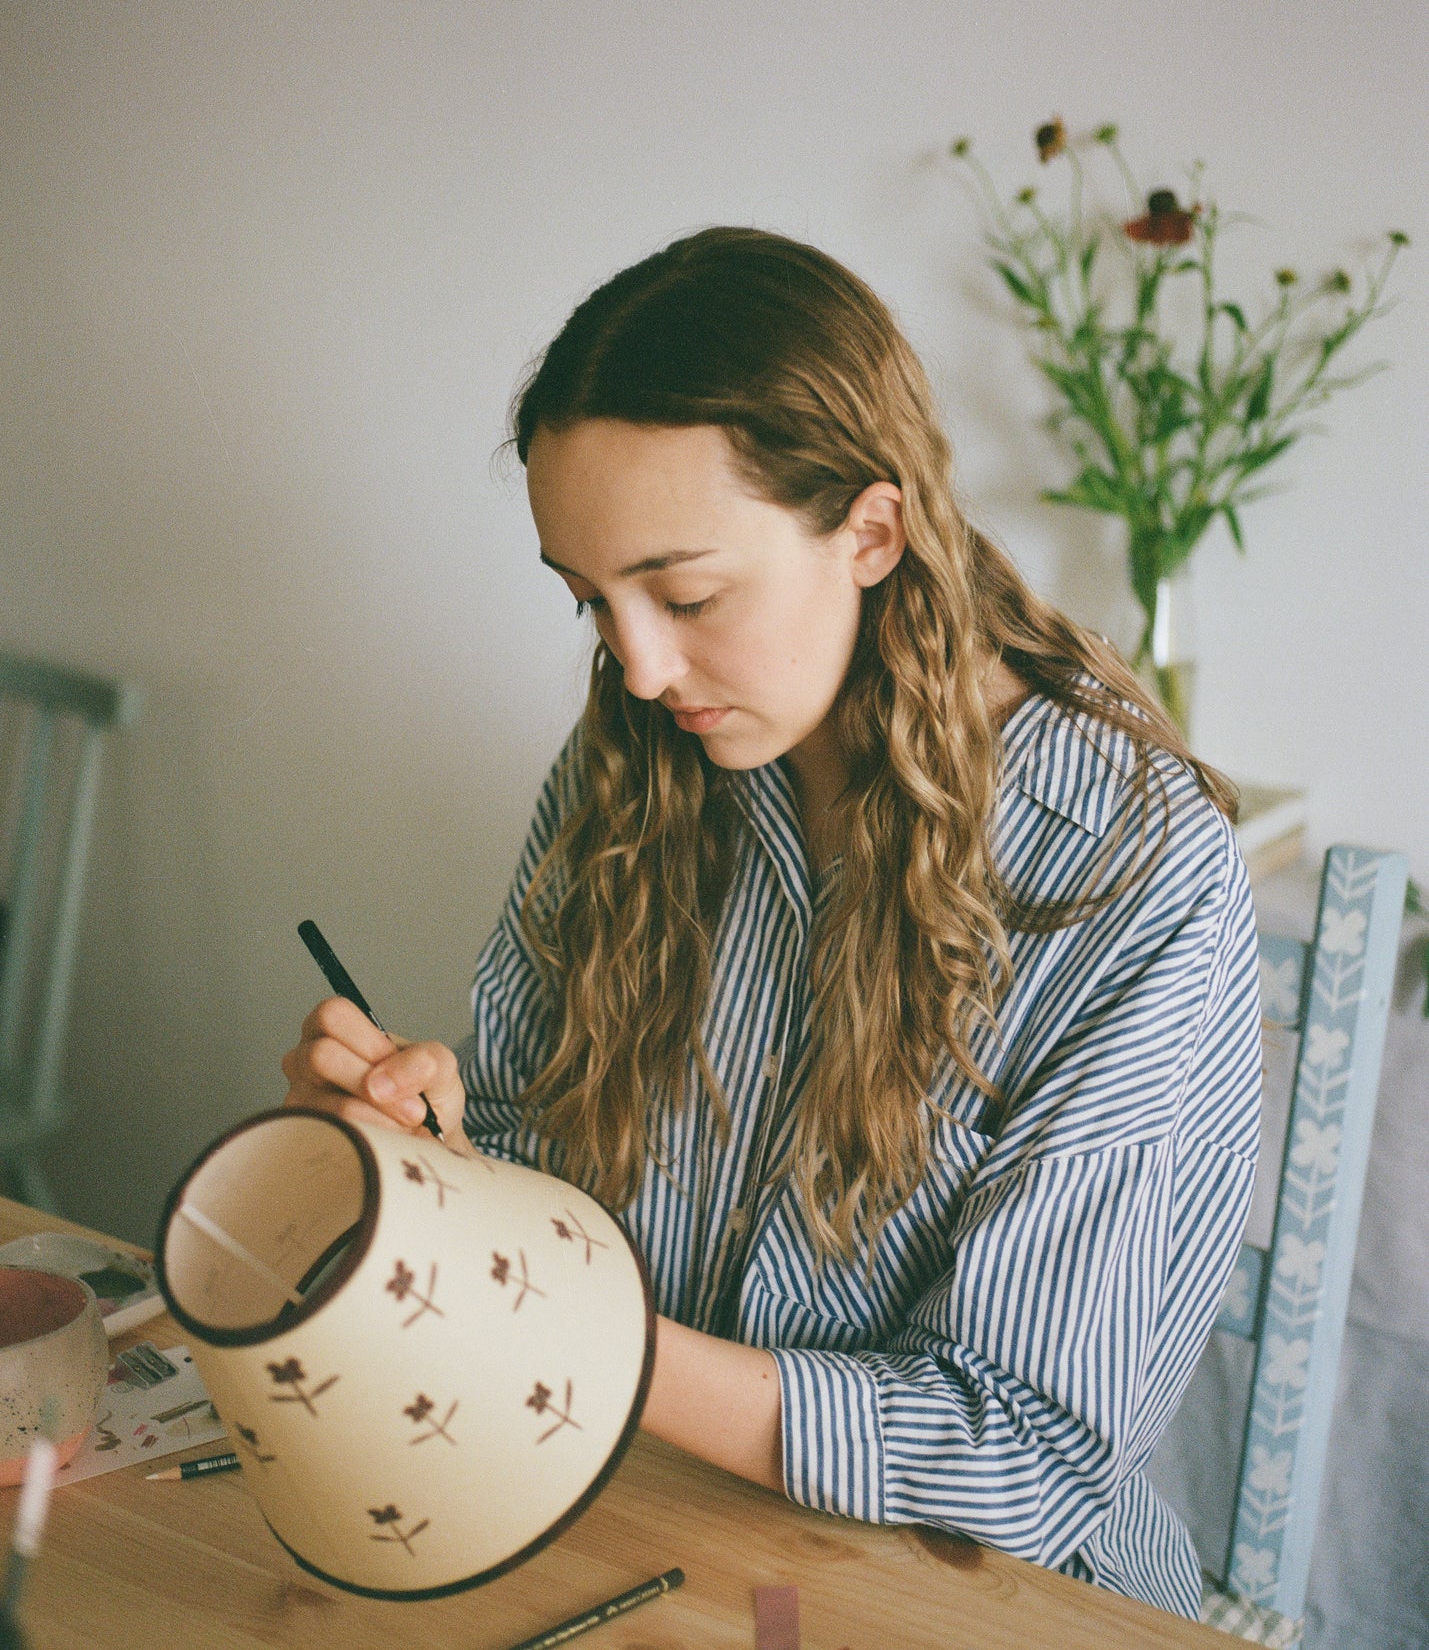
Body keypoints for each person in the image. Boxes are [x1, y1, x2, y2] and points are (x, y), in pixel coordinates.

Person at [283, 226, 1261, 1620]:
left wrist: (580, 1328)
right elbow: (522, 1156)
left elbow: (1021, 1455)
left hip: (975, 1599)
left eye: (683, 594)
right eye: (589, 600)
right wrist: (428, 1175)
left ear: (869, 530)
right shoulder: (630, 772)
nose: (635, 664)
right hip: (627, 1526)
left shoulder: (1127, 869)